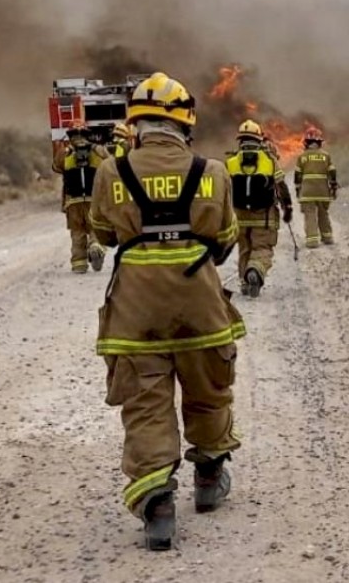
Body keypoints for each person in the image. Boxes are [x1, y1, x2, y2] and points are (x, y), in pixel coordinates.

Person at [88, 72, 243, 551]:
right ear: (185, 123)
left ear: (135, 124)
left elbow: (103, 234)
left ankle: (157, 504)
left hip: (136, 314)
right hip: (200, 307)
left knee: (146, 403)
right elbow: (225, 238)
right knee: (209, 392)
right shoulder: (213, 171)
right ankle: (209, 477)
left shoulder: (111, 172)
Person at [225, 120, 293, 298]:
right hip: (263, 217)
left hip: (239, 216)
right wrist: (288, 207)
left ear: (240, 140)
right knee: (262, 248)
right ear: (259, 140)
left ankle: (244, 283)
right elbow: (281, 186)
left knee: (244, 249)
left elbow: (223, 190)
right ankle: (255, 271)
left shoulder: (230, 162)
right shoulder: (269, 161)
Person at [51, 126, 109, 273]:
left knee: (77, 233)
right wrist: (96, 147)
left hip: (73, 202)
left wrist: (65, 150)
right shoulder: (96, 151)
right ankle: (96, 246)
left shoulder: (67, 153)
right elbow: (110, 162)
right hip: (94, 200)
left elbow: (56, 167)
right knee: (96, 227)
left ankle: (79, 265)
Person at [294, 127, 337, 247]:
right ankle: (327, 237)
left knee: (310, 214)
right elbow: (332, 173)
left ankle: (312, 240)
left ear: (306, 142)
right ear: (319, 142)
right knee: (323, 214)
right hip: (323, 191)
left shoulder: (302, 157)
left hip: (307, 192)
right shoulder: (326, 156)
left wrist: (298, 190)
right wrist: (333, 187)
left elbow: (297, 176)